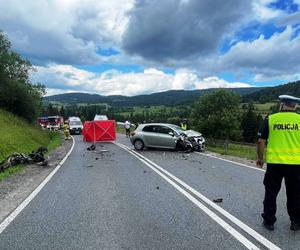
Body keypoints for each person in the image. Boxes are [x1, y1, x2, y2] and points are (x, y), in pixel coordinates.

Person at [256, 95, 300, 231]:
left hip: (275, 163)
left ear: (282, 104)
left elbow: (261, 141)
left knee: (271, 192)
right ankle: (296, 222)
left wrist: (260, 158)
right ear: (295, 106)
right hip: (296, 164)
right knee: (295, 194)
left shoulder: (271, 119)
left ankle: (269, 221)